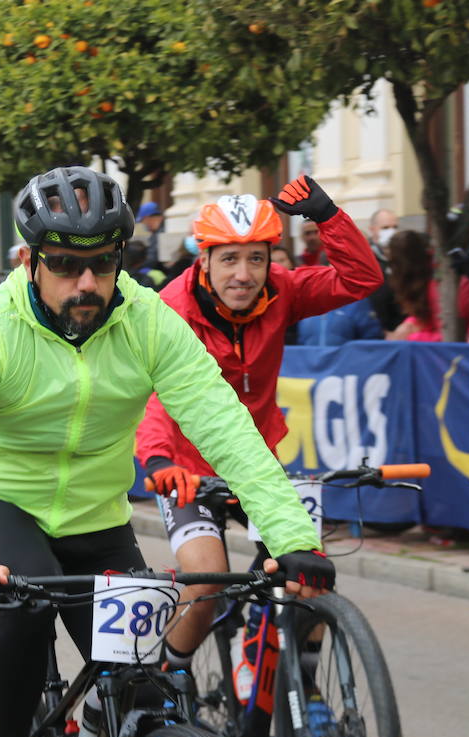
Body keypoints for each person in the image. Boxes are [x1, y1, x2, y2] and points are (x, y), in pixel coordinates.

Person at [0, 166, 333, 737]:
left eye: (102, 264)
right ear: (30, 262)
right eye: (65, 265)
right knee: (25, 607)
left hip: (98, 519)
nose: (86, 282)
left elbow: (227, 429)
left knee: (139, 689)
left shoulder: (146, 321)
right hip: (5, 501)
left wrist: (290, 537)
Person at [135, 176, 376, 680]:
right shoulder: (169, 311)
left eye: (256, 259)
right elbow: (155, 395)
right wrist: (158, 460)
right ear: (203, 260)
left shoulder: (283, 291)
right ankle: (167, 680)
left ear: (271, 262)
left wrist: (328, 217)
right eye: (229, 259)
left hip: (256, 462)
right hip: (186, 469)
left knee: (309, 572)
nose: (244, 275)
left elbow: (360, 280)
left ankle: (304, 692)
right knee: (204, 584)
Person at [385, 229, 441, 341]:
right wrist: (408, 324)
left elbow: (445, 334)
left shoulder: (434, 286)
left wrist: (410, 336)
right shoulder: (418, 282)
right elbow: (422, 319)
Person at [136, 200, 166, 271]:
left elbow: (152, 260)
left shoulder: (160, 234)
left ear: (149, 218)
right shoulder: (158, 232)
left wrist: (137, 269)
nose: (144, 225)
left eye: (144, 221)